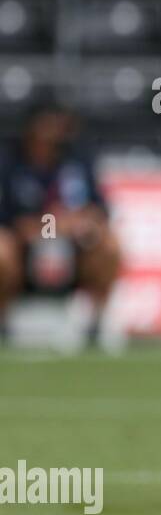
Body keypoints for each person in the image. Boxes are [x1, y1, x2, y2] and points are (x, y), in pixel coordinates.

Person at [0, 108, 122, 346]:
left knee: (110, 245)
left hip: (74, 250)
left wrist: (80, 222)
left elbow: (101, 209)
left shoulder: (78, 162)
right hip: (24, 250)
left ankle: (96, 324)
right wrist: (36, 226)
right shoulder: (9, 163)